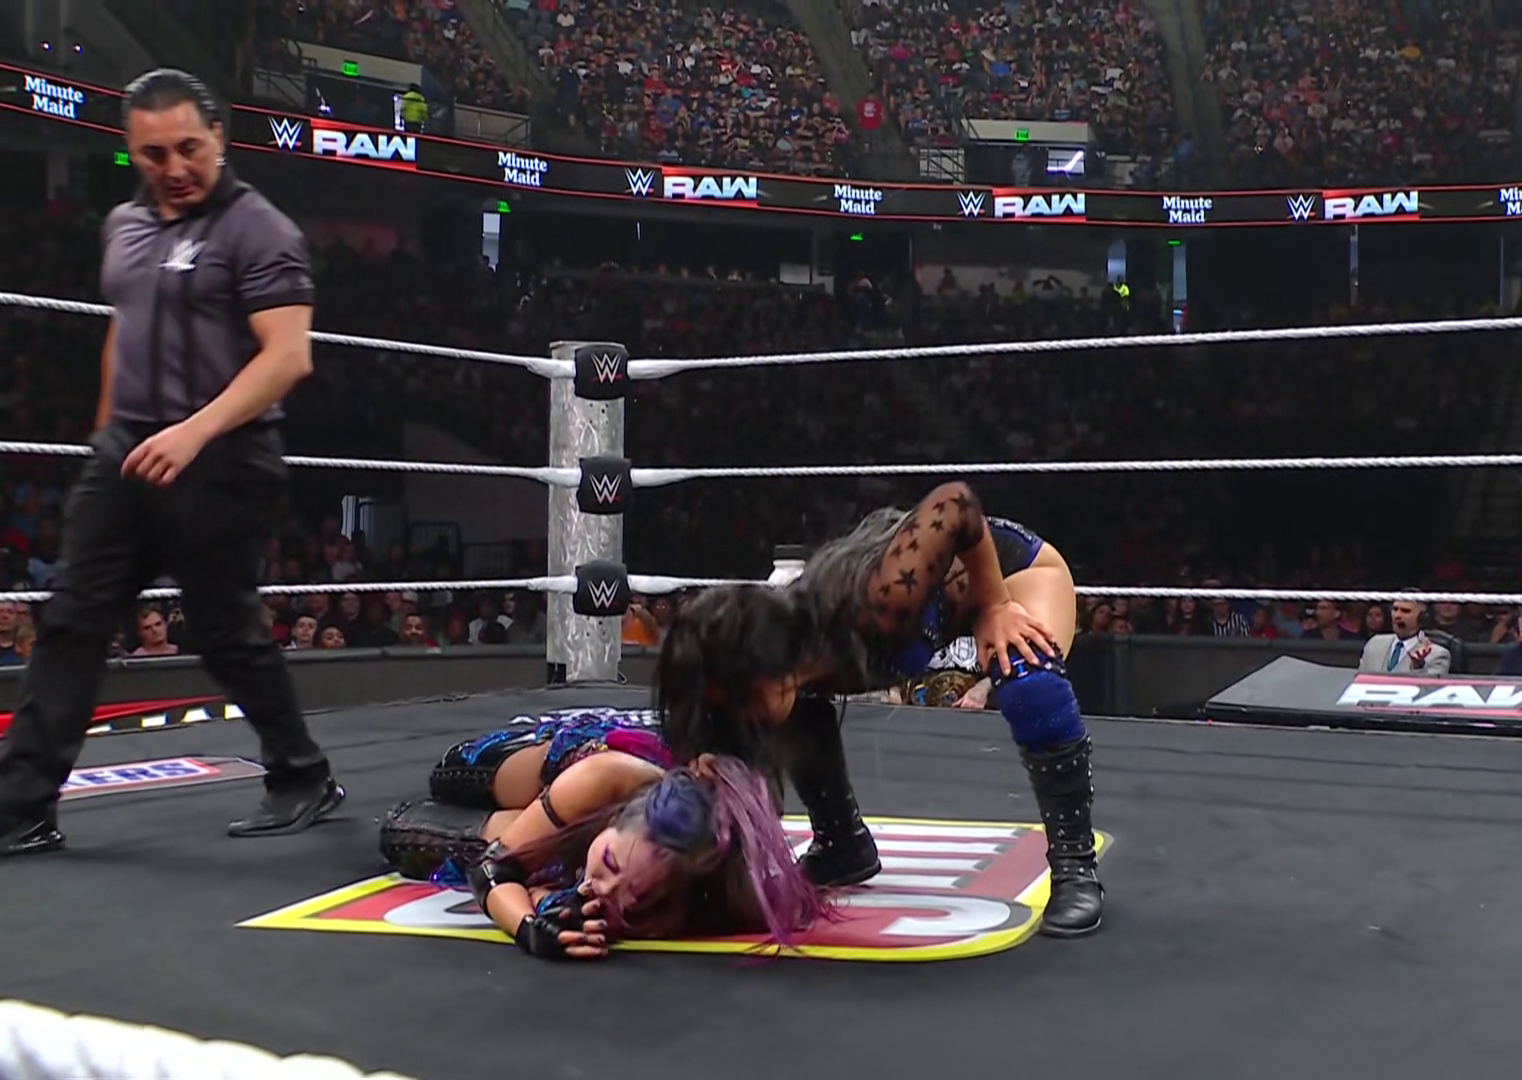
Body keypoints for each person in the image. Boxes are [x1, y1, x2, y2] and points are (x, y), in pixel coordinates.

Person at [0, 68, 340, 856]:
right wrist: (105, 437)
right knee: (72, 619)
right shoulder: (124, 225)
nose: (175, 167)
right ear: (132, 150)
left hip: (223, 451)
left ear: (219, 136)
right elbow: (126, 329)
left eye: (188, 147)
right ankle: (20, 808)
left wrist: (193, 431)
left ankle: (301, 773)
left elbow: (287, 356)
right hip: (129, 448)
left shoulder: (260, 228)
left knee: (223, 631)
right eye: (155, 154)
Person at [655, 481, 1104, 938]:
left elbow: (956, 504)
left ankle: (1075, 865)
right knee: (801, 704)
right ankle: (841, 844)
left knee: (1026, 673)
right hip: (937, 602)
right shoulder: (799, 651)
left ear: (762, 668)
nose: (741, 719)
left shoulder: (879, 602)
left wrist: (996, 604)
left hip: (1008, 570)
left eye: (738, 700)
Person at [377, 707, 825, 961]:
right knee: (448, 780)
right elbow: (493, 869)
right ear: (614, 822)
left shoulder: (703, 883)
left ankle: (536, 837)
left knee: (410, 834)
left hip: (581, 828)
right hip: (569, 770)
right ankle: (535, 810)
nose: (604, 889)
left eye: (637, 900)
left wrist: (551, 907)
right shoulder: (604, 778)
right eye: (610, 864)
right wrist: (528, 929)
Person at [1358, 596, 1453, 675]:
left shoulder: (1438, 655)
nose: (1397, 615)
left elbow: (1430, 688)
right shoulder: (1374, 643)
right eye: (1395, 609)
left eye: (1405, 611)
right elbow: (1358, 680)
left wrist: (1418, 667)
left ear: (1422, 617)